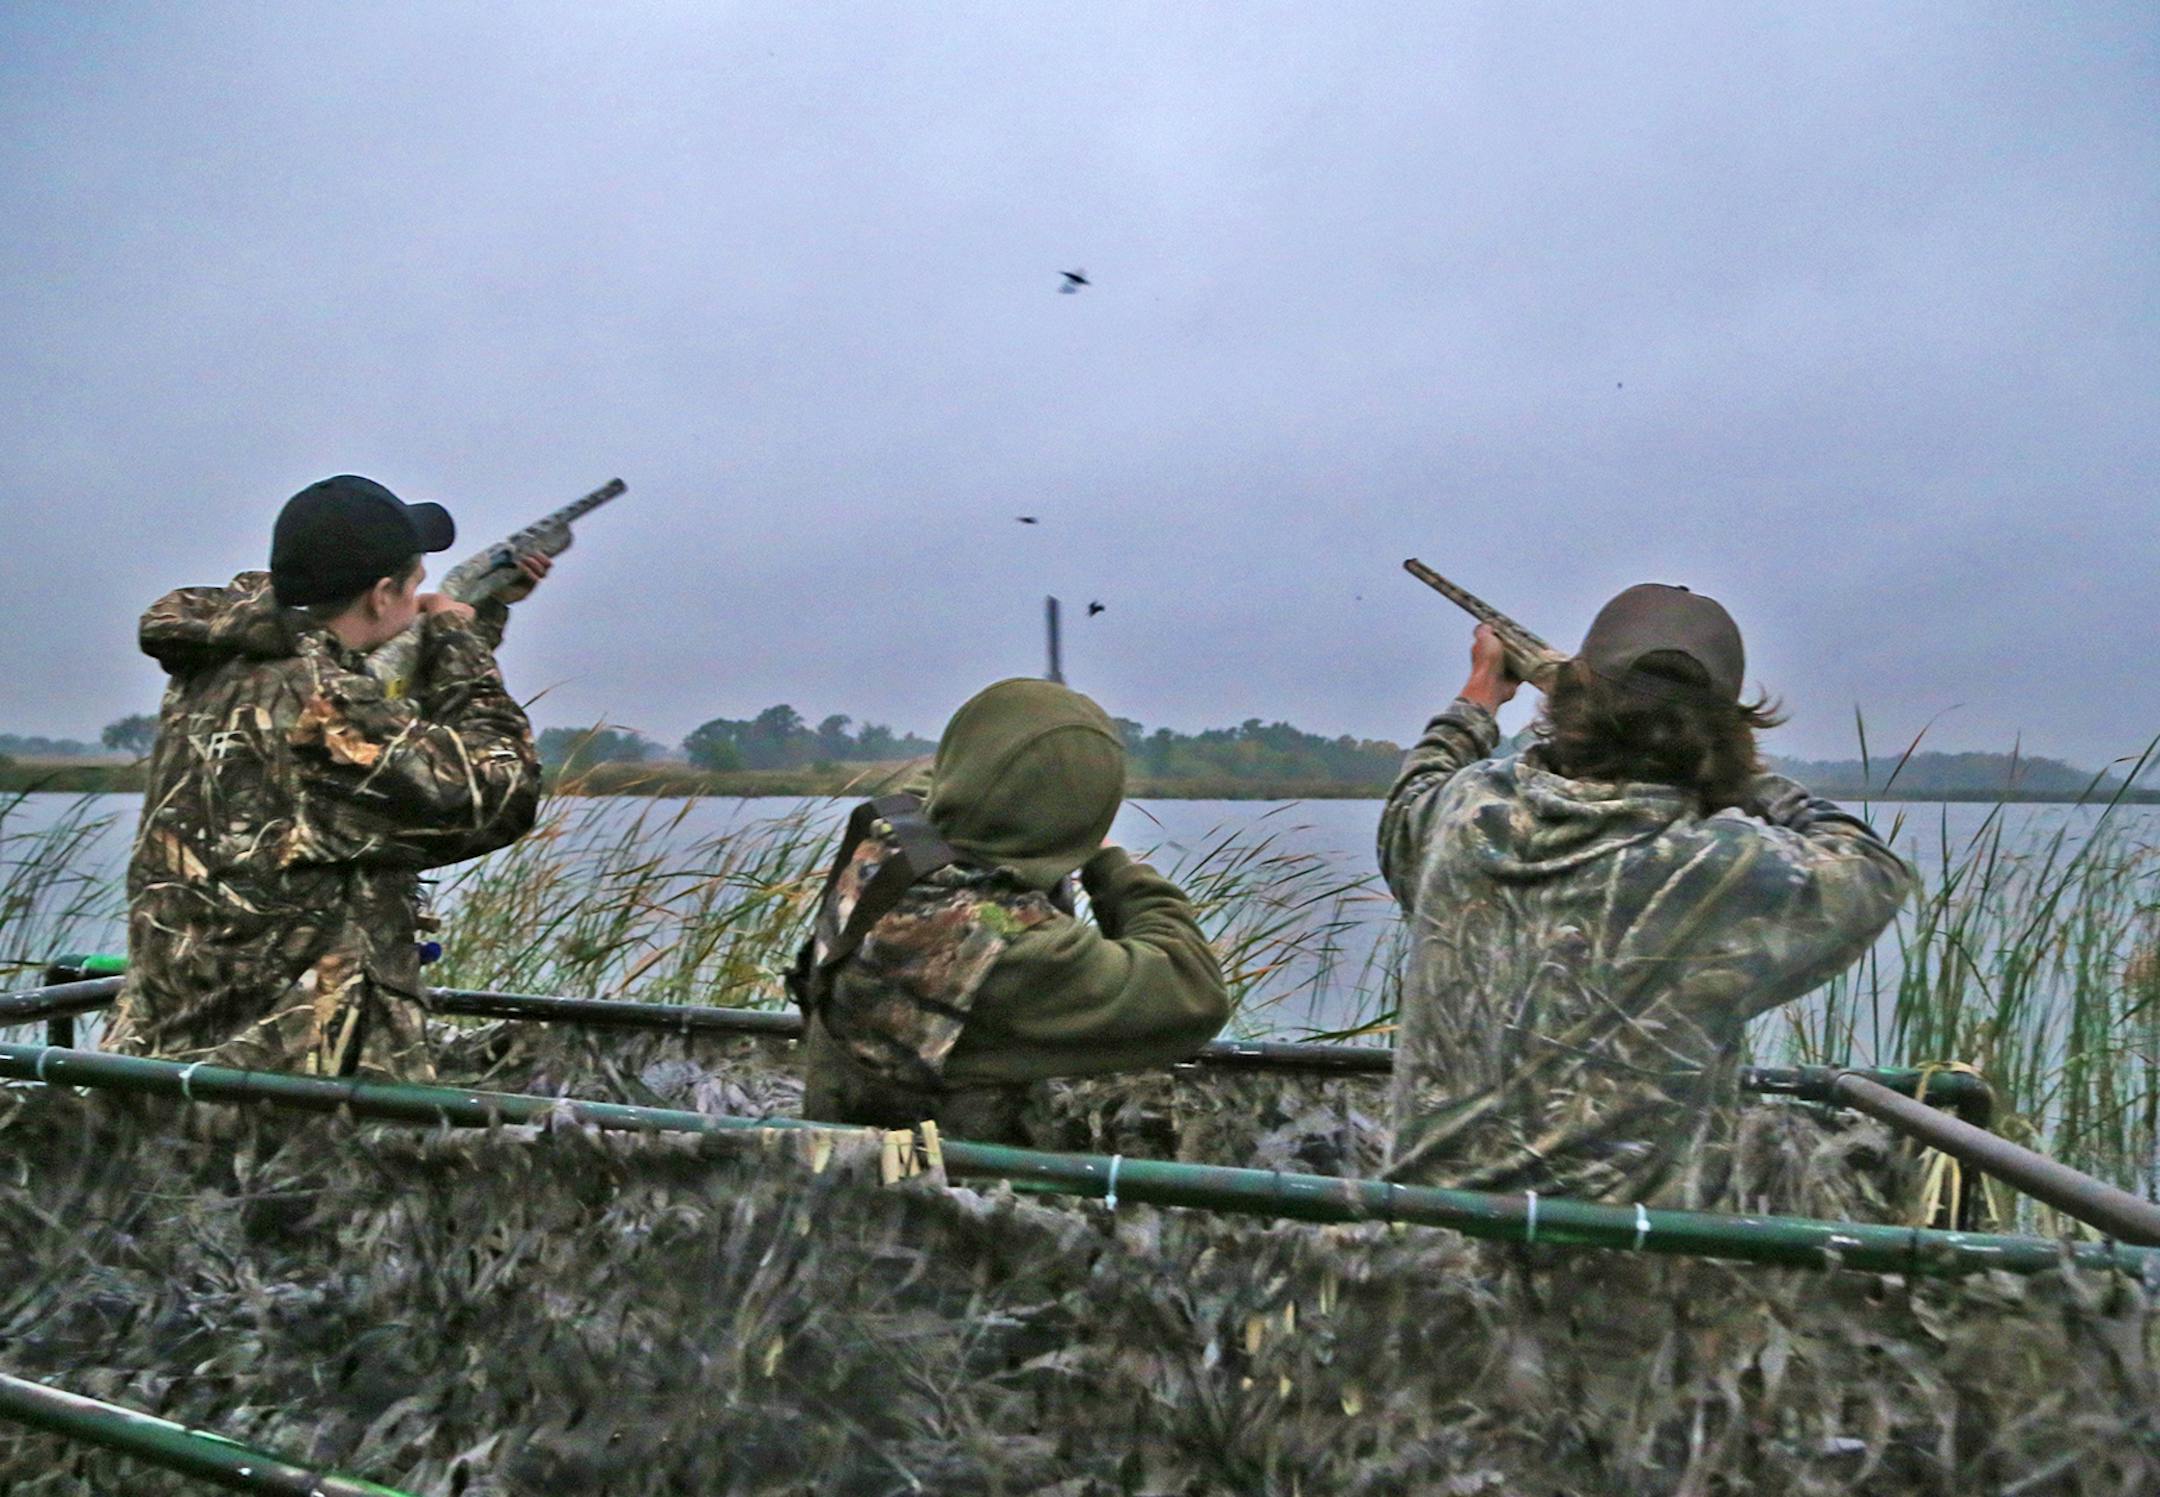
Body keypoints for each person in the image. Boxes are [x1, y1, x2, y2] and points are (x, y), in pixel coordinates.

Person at [1377, 584, 1911, 1206]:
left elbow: (1411, 798)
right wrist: (1743, 777)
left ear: (1569, 706)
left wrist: (1480, 695)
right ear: (1727, 733)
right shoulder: (1731, 869)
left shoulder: (1463, 814)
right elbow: (1871, 866)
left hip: (1421, 1256)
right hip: (1633, 1278)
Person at [107, 475, 546, 1079]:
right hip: (286, 1079)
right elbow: (500, 791)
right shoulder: (328, 711)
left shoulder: (223, 663)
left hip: (175, 1046)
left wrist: (487, 606)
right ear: (382, 593)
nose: (423, 599)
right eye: (416, 585)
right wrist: (456, 636)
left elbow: (388, 722)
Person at [791, 677, 1231, 1142]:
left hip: (839, 1150)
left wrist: (1030, 729)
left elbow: (956, 780)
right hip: (948, 1196)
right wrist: (1104, 857)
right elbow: (1194, 989)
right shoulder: (1010, 945)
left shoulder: (886, 833)